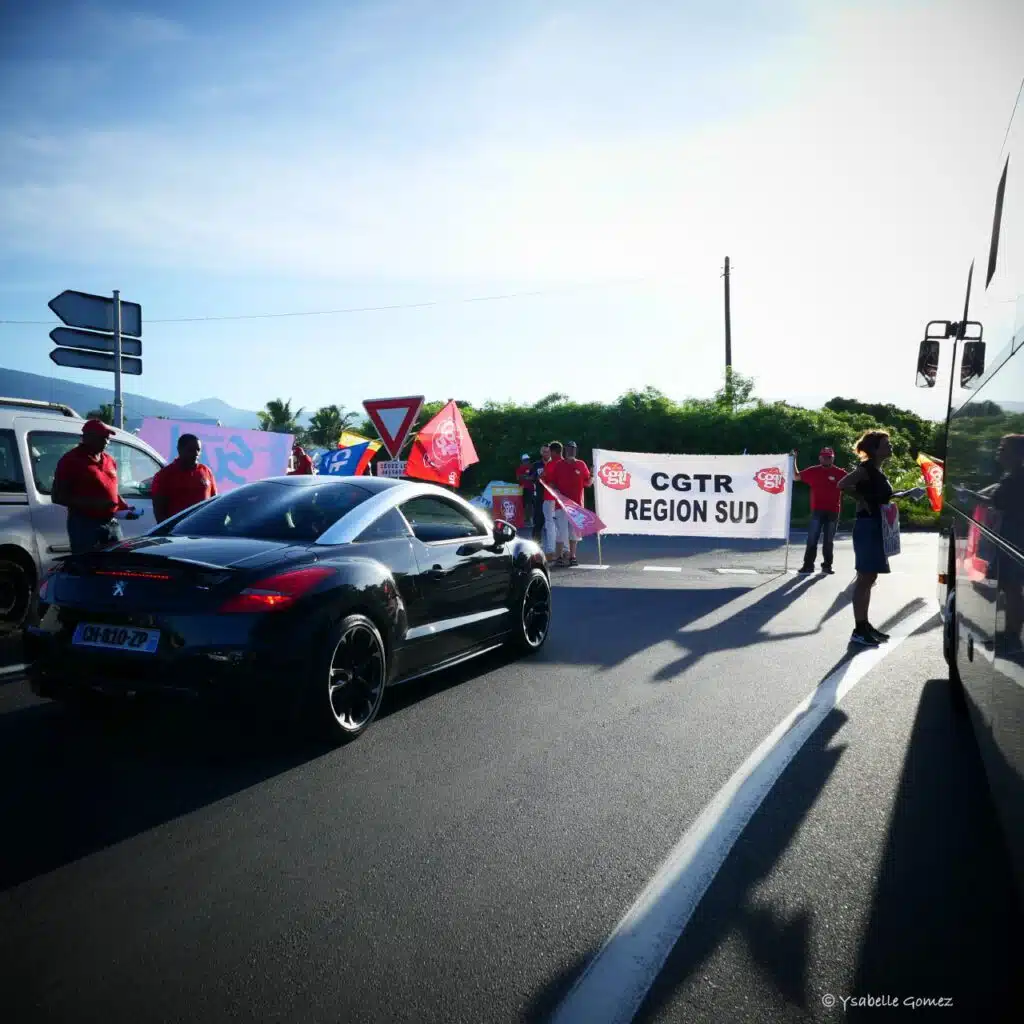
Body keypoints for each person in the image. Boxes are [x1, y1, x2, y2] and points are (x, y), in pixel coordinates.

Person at [837, 430, 925, 647]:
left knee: (870, 577)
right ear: (874, 449)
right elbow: (842, 484)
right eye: (886, 444)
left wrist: (905, 493)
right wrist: (862, 500)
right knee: (865, 578)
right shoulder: (865, 469)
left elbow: (880, 496)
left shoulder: (877, 471)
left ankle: (865, 625)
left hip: (878, 525)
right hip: (867, 525)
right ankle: (859, 629)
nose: (890, 447)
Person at [51, 419, 139, 554]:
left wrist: (123, 507)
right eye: (103, 438)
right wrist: (93, 504)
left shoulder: (109, 460)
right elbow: (57, 496)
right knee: (87, 563)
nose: (107, 442)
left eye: (108, 438)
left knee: (116, 561)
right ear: (88, 438)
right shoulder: (70, 460)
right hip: (84, 525)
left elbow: (111, 489)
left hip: (111, 523)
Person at [792, 446, 845, 574]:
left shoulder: (840, 473)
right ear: (820, 458)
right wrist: (793, 460)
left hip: (833, 511)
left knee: (828, 541)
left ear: (833, 458)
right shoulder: (813, 471)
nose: (826, 459)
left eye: (829, 457)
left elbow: (853, 484)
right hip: (817, 511)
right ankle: (808, 565)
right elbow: (796, 477)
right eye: (824, 457)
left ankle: (827, 566)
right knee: (812, 539)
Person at [151, 433, 218, 523]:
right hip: (178, 529)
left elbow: (215, 502)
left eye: (198, 450)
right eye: (191, 450)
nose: (196, 453)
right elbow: (159, 512)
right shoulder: (164, 476)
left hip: (203, 527)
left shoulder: (206, 471)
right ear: (179, 450)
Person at [549, 440, 592, 567]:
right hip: (561, 505)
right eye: (569, 449)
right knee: (561, 532)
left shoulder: (581, 464)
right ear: (565, 451)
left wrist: (593, 475)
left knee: (574, 533)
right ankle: (559, 557)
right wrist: (555, 490)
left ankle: (572, 556)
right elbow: (552, 482)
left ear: (575, 450)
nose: (571, 451)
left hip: (576, 505)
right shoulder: (559, 465)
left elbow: (588, 483)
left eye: (573, 449)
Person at [538, 441, 564, 564]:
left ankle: (551, 551)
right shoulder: (566, 463)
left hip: (550, 498)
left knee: (550, 525)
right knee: (562, 526)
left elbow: (542, 478)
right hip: (562, 499)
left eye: (549, 451)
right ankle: (563, 551)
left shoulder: (551, 464)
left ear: (553, 452)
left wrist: (542, 478)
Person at [532, 445, 551, 545]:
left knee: (552, 523)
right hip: (540, 497)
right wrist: (539, 476)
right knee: (538, 521)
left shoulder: (556, 464)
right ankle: (536, 545)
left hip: (552, 497)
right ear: (541, 452)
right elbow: (531, 478)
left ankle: (553, 546)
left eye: (547, 451)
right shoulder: (536, 465)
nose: (546, 454)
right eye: (544, 452)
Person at [515, 453, 536, 527]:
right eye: (525, 460)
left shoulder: (532, 467)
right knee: (522, 504)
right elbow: (518, 478)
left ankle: (530, 520)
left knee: (530, 504)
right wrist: (526, 476)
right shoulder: (519, 468)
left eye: (528, 459)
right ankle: (522, 520)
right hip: (521, 488)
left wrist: (524, 476)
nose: (527, 461)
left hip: (530, 488)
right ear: (522, 460)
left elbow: (533, 477)